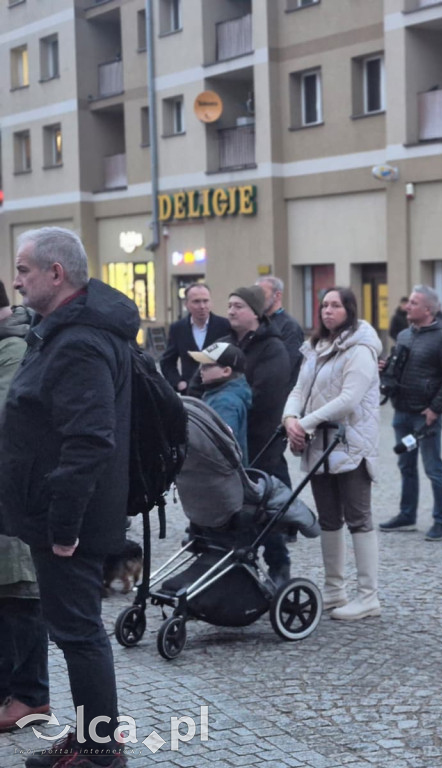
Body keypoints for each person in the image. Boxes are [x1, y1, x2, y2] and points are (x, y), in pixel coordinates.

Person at [0, 227, 134, 766]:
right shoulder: (64, 330)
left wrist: (63, 527)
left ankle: (100, 751)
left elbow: (89, 440)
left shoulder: (80, 341)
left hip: (70, 522)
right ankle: (89, 737)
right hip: (57, 513)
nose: (16, 280)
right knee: (74, 632)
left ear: (56, 274)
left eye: (23, 269)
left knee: (80, 635)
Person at [284, 287, 383, 620]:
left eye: (335, 305)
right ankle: (334, 589)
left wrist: (304, 423)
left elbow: (349, 399)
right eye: (324, 305)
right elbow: (299, 389)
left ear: (349, 309)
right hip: (320, 443)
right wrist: (290, 419)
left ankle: (368, 596)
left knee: (359, 518)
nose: (328, 310)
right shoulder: (316, 346)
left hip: (351, 442)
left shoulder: (361, 349)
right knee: (328, 518)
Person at [0, 280, 50, 734]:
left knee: (20, 594)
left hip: (16, 495)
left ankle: (32, 696)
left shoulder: (14, 349)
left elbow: (7, 420)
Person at [221, 286, 293, 584]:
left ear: (255, 312)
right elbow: (202, 379)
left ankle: (279, 564)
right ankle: (234, 565)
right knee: (232, 507)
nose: (231, 311)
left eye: (238, 306)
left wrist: (230, 402)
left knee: (263, 509)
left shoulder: (272, 347)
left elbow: (266, 396)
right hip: (228, 443)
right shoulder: (224, 343)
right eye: (229, 305)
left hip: (261, 441)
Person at [378, 286, 442, 541]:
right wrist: (386, 368)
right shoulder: (404, 335)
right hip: (401, 412)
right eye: (409, 302)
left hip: (424, 417)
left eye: (413, 303)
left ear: (428, 310)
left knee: (433, 468)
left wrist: (436, 408)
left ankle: (440, 520)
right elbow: (399, 365)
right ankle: (407, 515)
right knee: (406, 465)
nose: (407, 306)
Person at [159, 282, 231, 394]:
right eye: (196, 301)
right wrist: (178, 383)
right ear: (186, 304)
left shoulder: (225, 326)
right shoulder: (178, 328)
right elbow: (167, 362)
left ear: (211, 302)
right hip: (190, 392)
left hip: (219, 391)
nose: (202, 306)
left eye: (205, 301)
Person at [188, 342, 252, 464]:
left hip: (219, 472)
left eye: (206, 366)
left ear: (226, 371)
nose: (201, 369)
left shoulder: (225, 402)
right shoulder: (217, 394)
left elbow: (221, 444)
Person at [257, 276, 305, 389]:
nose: (258, 298)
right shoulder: (257, 322)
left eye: (262, 293)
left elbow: (288, 365)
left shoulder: (289, 326)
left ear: (277, 295)